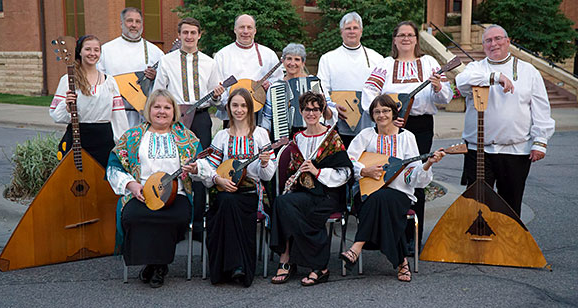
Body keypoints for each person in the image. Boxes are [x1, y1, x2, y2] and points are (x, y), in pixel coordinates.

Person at [361, 20, 452, 247]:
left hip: (420, 127)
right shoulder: (385, 65)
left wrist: (438, 86)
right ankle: (382, 234)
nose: (406, 39)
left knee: (415, 175)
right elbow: (369, 93)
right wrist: (386, 115)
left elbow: (445, 98)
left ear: (416, 39)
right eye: (401, 35)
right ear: (394, 39)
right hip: (389, 128)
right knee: (387, 175)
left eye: (410, 35)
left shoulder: (429, 63)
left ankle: (412, 237)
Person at [343, 94, 445, 282]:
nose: (381, 115)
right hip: (367, 191)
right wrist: (364, 170)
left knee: (384, 198)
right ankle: (401, 262)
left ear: (393, 113)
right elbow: (348, 161)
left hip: (400, 193)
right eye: (377, 112)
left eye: (386, 111)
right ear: (372, 115)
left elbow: (412, 176)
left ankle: (356, 247)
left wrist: (427, 164)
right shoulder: (366, 135)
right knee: (381, 200)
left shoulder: (407, 138)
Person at [455, 24, 555, 216]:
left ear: (508, 42)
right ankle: (479, 245)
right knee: (476, 206)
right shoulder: (476, 68)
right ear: (483, 45)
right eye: (488, 40)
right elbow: (461, 81)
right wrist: (495, 77)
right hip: (479, 150)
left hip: (516, 150)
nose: (494, 44)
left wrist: (540, 142)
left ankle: (509, 245)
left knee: (510, 205)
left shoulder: (528, 71)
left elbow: (541, 108)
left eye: (498, 38)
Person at [106, 89, 201, 288]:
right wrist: (131, 185)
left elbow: (205, 166)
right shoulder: (132, 137)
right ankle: (155, 264)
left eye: (167, 107)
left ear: (174, 112)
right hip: (141, 193)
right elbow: (114, 166)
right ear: (149, 110)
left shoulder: (188, 138)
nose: (161, 111)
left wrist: (196, 168)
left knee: (174, 216)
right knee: (132, 215)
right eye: (157, 106)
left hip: (177, 194)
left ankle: (157, 265)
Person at [183, 88, 276, 287]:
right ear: (228, 108)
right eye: (235, 105)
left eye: (243, 105)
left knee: (228, 203)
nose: (239, 110)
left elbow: (267, 176)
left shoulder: (260, 135)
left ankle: (230, 267)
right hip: (225, 190)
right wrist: (213, 177)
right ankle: (236, 266)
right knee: (226, 201)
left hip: (251, 194)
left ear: (250, 109)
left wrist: (265, 163)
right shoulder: (222, 136)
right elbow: (210, 165)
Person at [152, 17, 225, 239]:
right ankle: (177, 218)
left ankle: (198, 222)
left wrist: (217, 96)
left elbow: (217, 100)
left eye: (193, 33)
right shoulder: (166, 61)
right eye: (185, 33)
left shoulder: (210, 63)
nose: (189, 37)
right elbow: (157, 92)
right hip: (175, 119)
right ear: (180, 35)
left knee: (201, 163)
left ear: (199, 35)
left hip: (201, 117)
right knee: (175, 163)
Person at [270, 91, 352, 286]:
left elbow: (345, 174)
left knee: (297, 212)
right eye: (307, 109)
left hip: (327, 194)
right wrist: (293, 180)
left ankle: (302, 263)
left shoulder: (332, 138)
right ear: (301, 111)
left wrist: (317, 171)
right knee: (282, 202)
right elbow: (292, 170)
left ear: (322, 111)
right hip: (305, 192)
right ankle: (291, 258)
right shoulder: (298, 138)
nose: (311, 113)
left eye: (316, 109)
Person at [50, 35, 129, 168]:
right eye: (88, 49)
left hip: (104, 139)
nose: (92, 53)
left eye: (96, 50)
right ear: (79, 52)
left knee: (103, 182)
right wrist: (67, 107)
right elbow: (56, 115)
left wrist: (123, 143)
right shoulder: (68, 79)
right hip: (78, 138)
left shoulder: (109, 81)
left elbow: (118, 116)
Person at [317, 11, 384, 147]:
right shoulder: (328, 58)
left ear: (361, 31)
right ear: (341, 31)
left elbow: (383, 89)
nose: (351, 32)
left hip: (368, 118)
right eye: (348, 28)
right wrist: (332, 106)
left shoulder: (376, 58)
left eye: (355, 28)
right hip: (338, 117)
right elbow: (321, 87)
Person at [98, 7, 164, 127]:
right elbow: (98, 82)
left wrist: (155, 77)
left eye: (138, 22)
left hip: (143, 116)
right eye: (130, 21)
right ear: (121, 23)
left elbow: (164, 84)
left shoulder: (155, 52)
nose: (134, 25)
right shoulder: (106, 50)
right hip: (114, 115)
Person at [214, 14, 283, 123]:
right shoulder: (222, 55)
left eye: (249, 27)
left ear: (255, 30)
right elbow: (218, 86)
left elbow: (278, 80)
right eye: (242, 27)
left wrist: (269, 84)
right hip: (232, 115)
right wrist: (231, 106)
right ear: (235, 30)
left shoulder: (268, 54)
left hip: (261, 115)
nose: (245, 31)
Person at [261, 43, 335, 139]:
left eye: (297, 59)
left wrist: (324, 105)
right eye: (289, 59)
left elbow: (329, 116)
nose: (292, 63)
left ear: (303, 63)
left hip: (314, 136)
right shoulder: (275, 87)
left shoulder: (315, 83)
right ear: (283, 61)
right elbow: (267, 118)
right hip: (285, 138)